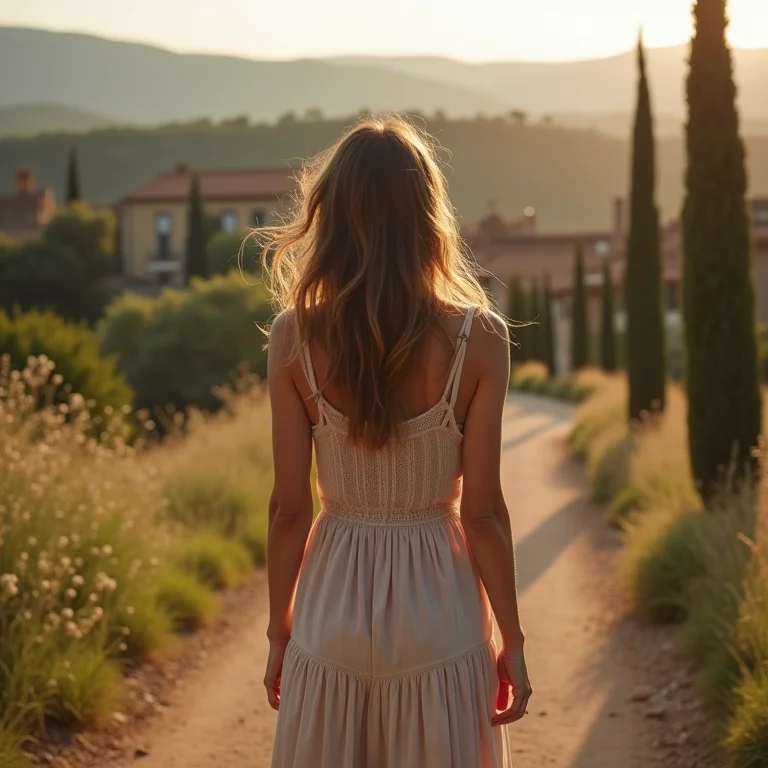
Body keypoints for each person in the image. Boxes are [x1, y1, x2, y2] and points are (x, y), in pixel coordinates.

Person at [259, 115, 531, 768]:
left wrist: (278, 633)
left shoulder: (292, 336)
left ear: (331, 217)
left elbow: (289, 510)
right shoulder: (480, 338)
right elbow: (484, 513)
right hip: (441, 608)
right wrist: (513, 641)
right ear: (428, 215)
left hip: (332, 605)